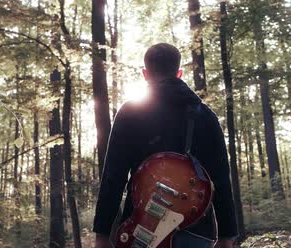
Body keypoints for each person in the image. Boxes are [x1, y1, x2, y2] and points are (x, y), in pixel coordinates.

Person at [93, 43, 238, 248]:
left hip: (141, 229)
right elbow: (221, 178)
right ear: (178, 73)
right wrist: (227, 235)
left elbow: (113, 177)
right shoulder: (205, 116)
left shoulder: (130, 112)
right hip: (196, 231)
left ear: (145, 74)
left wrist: (102, 233)